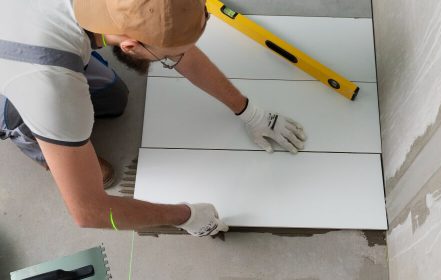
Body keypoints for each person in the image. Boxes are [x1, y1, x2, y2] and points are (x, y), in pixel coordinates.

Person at [0, 0, 307, 237]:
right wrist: (185, 216)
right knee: (69, 136)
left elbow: (176, 43)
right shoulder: (52, 87)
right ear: (130, 45)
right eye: (166, 57)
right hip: (19, 70)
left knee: (114, 98)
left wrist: (248, 111)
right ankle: (30, 138)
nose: (172, 60)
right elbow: (89, 212)